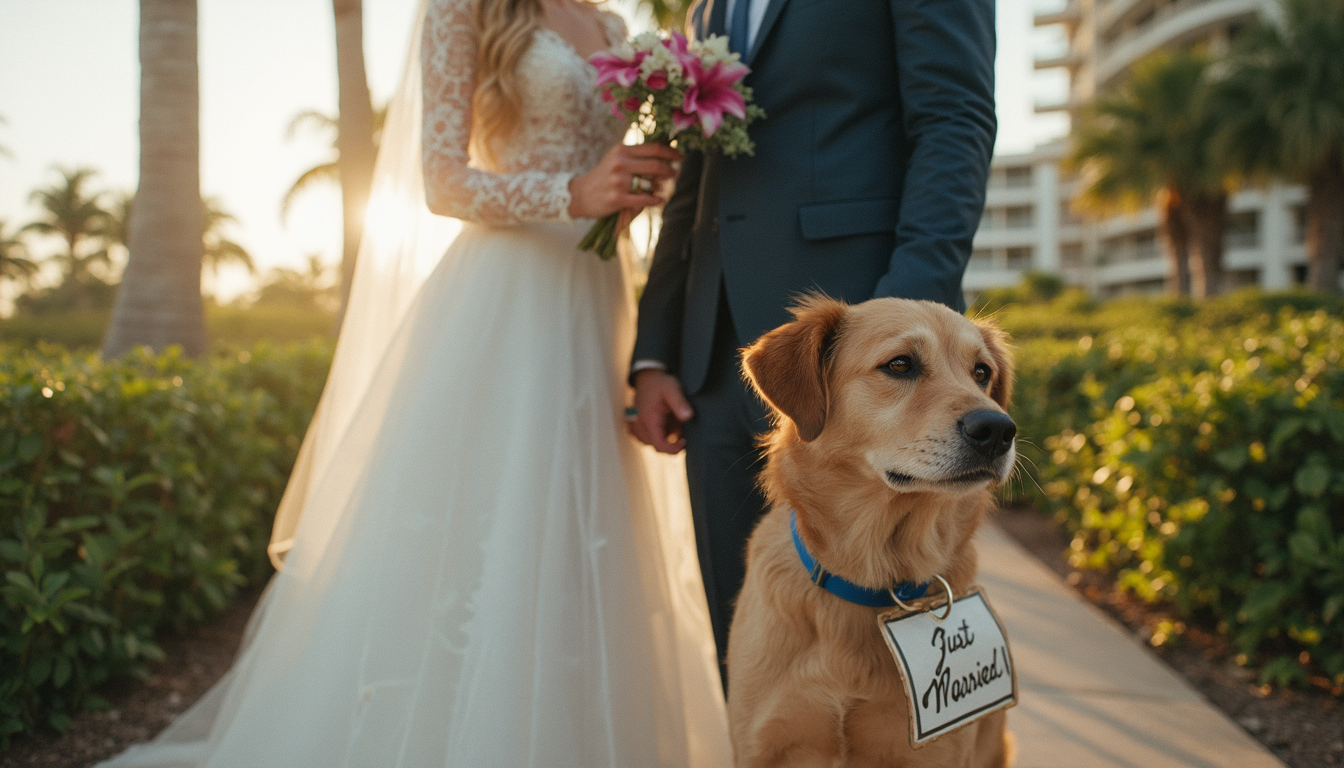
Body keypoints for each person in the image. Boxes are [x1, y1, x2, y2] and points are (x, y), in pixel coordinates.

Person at [97, 0, 732, 765]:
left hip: (596, 295)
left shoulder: (611, 26)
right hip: (508, 295)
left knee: (584, 521)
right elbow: (441, 182)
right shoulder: (464, 10)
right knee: (495, 521)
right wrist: (573, 194)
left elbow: (608, 174)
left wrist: (638, 178)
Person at [627, 0, 997, 682]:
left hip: (873, 369)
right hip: (715, 361)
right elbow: (697, 185)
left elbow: (954, 118)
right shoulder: (708, 6)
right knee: (743, 657)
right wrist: (656, 350)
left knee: (904, 665)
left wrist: (902, 327)